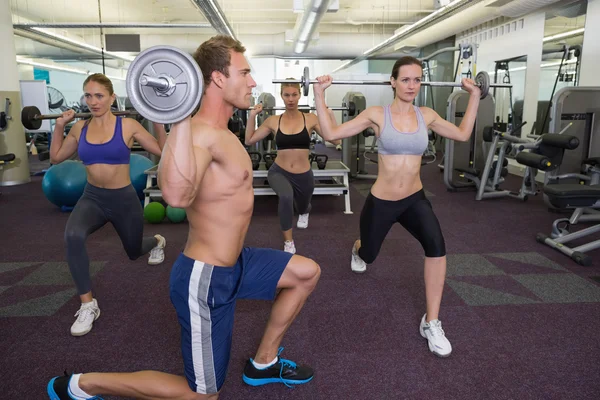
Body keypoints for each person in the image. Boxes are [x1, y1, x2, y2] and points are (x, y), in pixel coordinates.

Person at [47, 35, 320, 400]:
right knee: (204, 395)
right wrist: (178, 115)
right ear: (218, 79)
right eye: (245, 72)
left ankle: (263, 362)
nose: (253, 82)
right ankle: (83, 384)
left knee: (305, 272)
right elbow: (176, 196)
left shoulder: (225, 132)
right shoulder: (197, 135)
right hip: (204, 280)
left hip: (236, 263)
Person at [313, 56, 481, 358]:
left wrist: (475, 96)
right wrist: (319, 95)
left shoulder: (426, 115)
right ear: (393, 82)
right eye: (405, 79)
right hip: (382, 201)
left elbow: (462, 134)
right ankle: (358, 248)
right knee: (370, 254)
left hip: (415, 199)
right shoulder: (377, 114)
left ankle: (431, 322)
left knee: (437, 248)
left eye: (417, 80)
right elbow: (331, 134)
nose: (412, 85)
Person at [48, 73, 168, 337]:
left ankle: (157, 241)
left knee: (134, 251)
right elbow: (56, 158)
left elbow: (163, 150)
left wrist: (158, 122)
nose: (93, 101)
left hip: (123, 199)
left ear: (112, 97)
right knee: (72, 236)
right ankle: (88, 304)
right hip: (92, 198)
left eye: (99, 95)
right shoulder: (80, 129)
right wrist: (59, 126)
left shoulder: (128, 126)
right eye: (88, 95)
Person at [245, 80, 339, 254]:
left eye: (294, 95)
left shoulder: (310, 118)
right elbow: (249, 140)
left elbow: (336, 139)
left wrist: (329, 115)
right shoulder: (273, 121)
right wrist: (252, 116)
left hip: (303, 174)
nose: (290, 99)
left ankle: (305, 211)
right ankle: (289, 241)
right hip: (279, 172)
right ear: (281, 96)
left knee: (303, 206)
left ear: (300, 95)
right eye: (286, 95)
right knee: (286, 197)